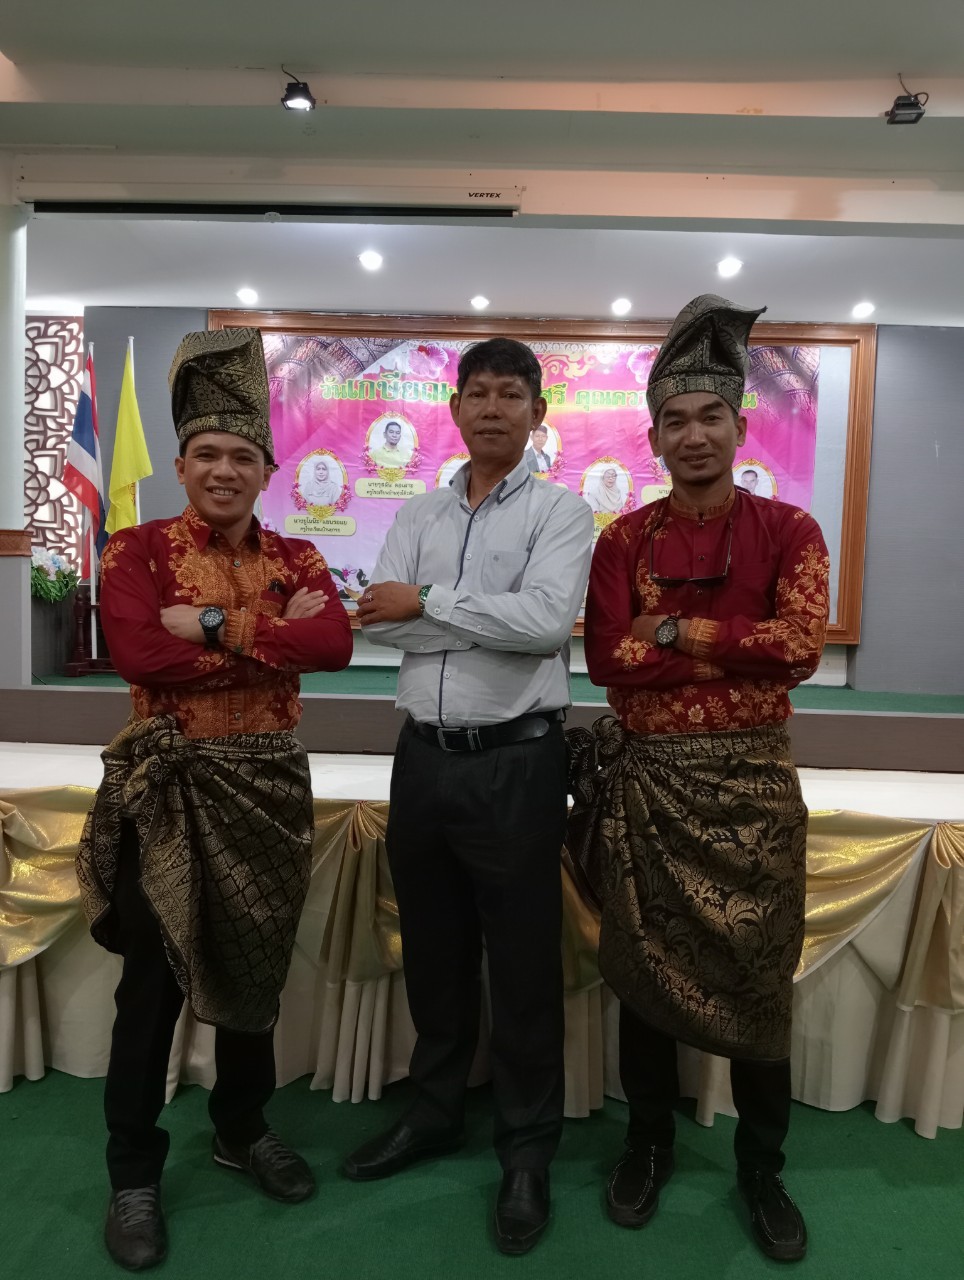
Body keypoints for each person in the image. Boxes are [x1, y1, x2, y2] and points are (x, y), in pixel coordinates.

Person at [76, 327, 353, 1271]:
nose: (224, 470)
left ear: (268, 469)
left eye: (242, 455)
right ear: (182, 466)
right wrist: (271, 631)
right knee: (151, 986)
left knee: (254, 970)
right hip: (170, 791)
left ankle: (241, 1127)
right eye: (206, 455)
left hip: (269, 789)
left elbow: (333, 647)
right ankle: (132, 1172)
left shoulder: (300, 556)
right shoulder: (135, 549)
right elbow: (138, 653)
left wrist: (207, 622)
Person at [569, 295, 829, 1263]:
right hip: (650, 791)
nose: (692, 434)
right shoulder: (620, 542)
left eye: (709, 416)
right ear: (652, 438)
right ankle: (647, 1142)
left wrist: (677, 630)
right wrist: (733, 650)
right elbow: (610, 660)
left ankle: (762, 1166)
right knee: (643, 975)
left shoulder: (791, 531)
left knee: (761, 977)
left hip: (756, 790)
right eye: (674, 420)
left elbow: (799, 648)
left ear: (739, 426)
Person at [344, 337, 594, 1256]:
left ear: (537, 413)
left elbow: (544, 624)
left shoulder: (562, 511)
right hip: (423, 760)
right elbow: (379, 626)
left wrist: (428, 604)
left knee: (522, 964)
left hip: (517, 763)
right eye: (477, 393)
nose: (492, 408)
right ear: (453, 409)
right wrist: (445, 614)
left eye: (510, 395)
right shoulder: (415, 511)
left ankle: (526, 1150)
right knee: (435, 952)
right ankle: (435, 1111)